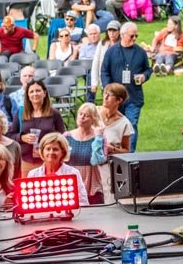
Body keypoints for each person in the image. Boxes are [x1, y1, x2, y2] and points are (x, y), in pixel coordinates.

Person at [100, 22, 151, 151]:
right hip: (115, 98)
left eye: (136, 36)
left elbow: (148, 69)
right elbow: (104, 71)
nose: (134, 39)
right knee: (115, 125)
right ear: (122, 35)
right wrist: (109, 88)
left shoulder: (140, 52)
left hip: (133, 96)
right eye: (131, 36)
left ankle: (130, 154)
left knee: (131, 124)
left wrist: (144, 76)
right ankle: (116, 151)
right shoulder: (111, 51)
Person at [27, 132, 90, 207]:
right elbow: (29, 203)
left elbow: (83, 202)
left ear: (63, 152)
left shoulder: (73, 173)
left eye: (55, 149)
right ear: (42, 151)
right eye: (48, 149)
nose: (51, 152)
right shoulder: (33, 174)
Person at [19, 79, 66, 175]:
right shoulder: (21, 113)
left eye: (38, 91)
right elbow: (11, 134)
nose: (35, 94)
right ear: (28, 95)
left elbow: (62, 136)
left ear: (44, 93)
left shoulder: (54, 113)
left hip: (49, 160)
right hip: (27, 161)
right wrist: (22, 137)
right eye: (31, 91)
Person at [64, 103, 107, 204]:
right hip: (71, 184)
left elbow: (96, 161)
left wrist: (98, 138)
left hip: (92, 185)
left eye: (86, 115)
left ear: (93, 119)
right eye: (80, 114)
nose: (82, 117)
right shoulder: (67, 136)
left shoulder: (99, 137)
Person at [90, 21, 121, 100]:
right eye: (110, 31)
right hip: (105, 77)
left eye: (114, 31)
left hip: (119, 78)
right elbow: (96, 62)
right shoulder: (102, 44)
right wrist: (94, 83)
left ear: (119, 31)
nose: (112, 33)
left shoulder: (123, 44)